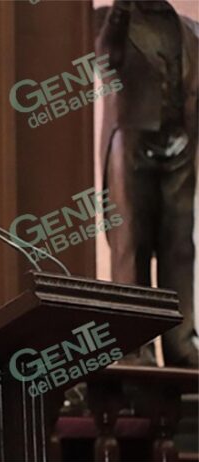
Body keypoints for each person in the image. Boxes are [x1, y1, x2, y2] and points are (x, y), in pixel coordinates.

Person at [97, 0, 199, 367]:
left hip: (180, 146)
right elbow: (107, 59)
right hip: (132, 144)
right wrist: (121, 10)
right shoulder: (108, 19)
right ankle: (133, 343)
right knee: (132, 245)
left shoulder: (188, 29)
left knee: (179, 247)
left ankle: (181, 340)